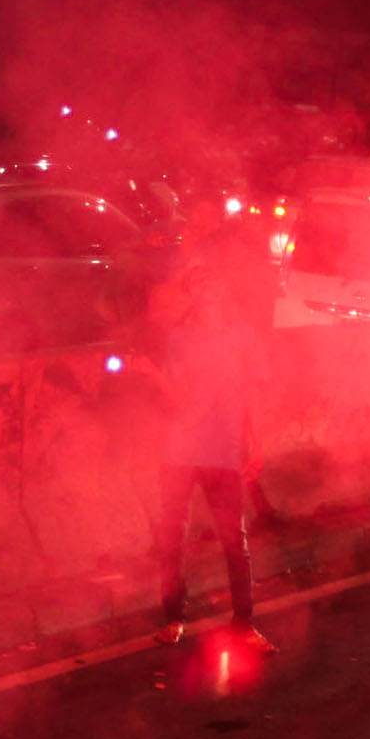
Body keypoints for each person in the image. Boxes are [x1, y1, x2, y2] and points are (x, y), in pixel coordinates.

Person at [150, 257, 276, 653]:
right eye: (197, 284)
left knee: (233, 541)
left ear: (222, 289)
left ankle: (244, 623)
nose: (206, 289)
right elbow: (178, 401)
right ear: (191, 294)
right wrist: (152, 376)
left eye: (211, 281)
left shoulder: (242, 336)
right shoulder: (180, 339)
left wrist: (256, 443)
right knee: (173, 538)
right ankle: (173, 618)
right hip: (181, 451)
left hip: (224, 451)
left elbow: (255, 394)